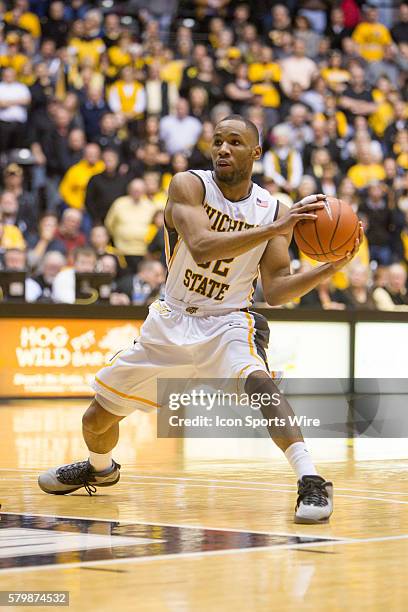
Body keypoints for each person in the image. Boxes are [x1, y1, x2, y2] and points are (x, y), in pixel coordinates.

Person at [38, 114, 362, 524]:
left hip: (227, 321)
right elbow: (203, 245)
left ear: (256, 153)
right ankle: (100, 469)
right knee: (96, 420)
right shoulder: (189, 185)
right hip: (169, 321)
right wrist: (275, 229)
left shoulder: (271, 208)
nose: (223, 149)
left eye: (235, 142)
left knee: (263, 387)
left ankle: (311, 480)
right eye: (218, 141)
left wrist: (330, 267)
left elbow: (277, 290)